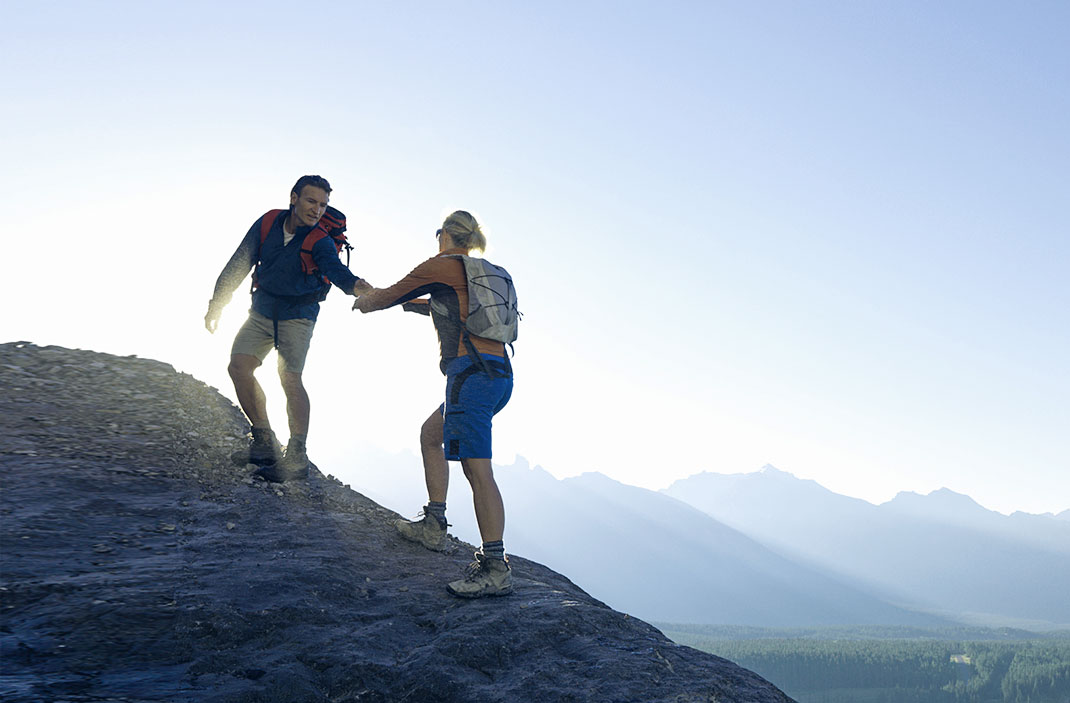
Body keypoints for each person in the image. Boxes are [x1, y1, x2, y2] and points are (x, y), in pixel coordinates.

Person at [354, 210, 515, 598]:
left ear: (444, 235)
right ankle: (434, 524)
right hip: (498, 373)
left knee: (477, 471)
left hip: (469, 374)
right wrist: (414, 306)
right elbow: (453, 307)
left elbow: (387, 296)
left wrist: (364, 297)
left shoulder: (440, 265)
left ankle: (495, 566)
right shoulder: (484, 270)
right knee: (431, 435)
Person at [205, 175, 370, 481]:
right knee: (239, 367)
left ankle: (297, 454)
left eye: (323, 205)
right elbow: (240, 261)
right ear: (293, 198)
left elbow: (336, 270)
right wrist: (218, 302)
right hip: (262, 310)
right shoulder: (268, 223)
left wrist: (358, 288)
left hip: (299, 315)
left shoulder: (320, 240)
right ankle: (264, 440)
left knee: (289, 377)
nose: (317, 210)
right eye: (311, 201)